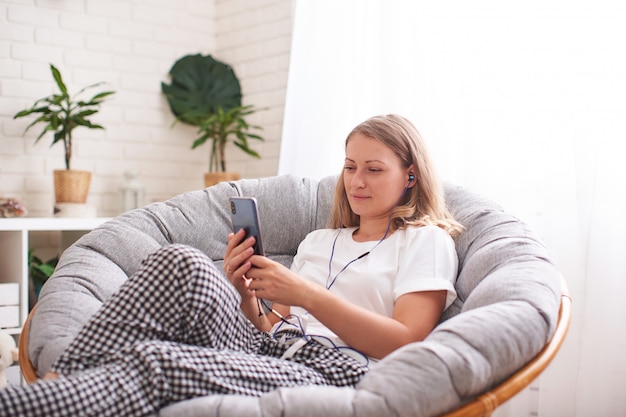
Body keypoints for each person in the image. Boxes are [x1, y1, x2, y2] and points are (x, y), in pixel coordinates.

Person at [0, 114, 462, 417]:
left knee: (160, 362)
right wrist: (243, 290)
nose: (357, 181)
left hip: (337, 370)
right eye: (349, 167)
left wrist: (305, 295)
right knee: (180, 261)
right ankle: (65, 385)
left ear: (410, 176)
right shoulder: (322, 240)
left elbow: (407, 342)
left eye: (374, 169)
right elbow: (272, 324)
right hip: (271, 346)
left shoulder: (424, 241)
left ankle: (33, 403)